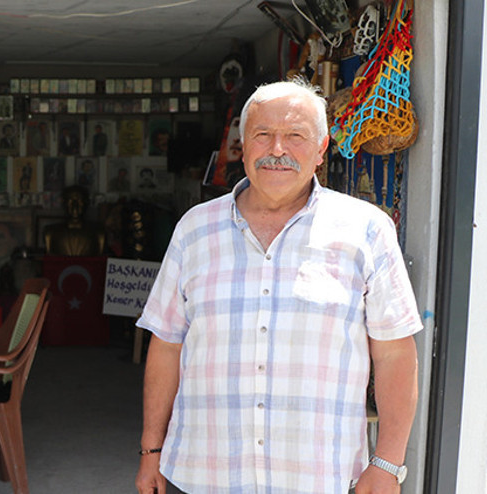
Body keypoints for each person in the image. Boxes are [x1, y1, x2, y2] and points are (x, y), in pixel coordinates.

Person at [135, 80, 421, 493]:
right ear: (242, 144)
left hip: (322, 478)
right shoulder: (194, 229)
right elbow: (166, 344)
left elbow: (395, 352)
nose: (277, 150)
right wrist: (151, 451)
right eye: (263, 135)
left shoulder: (366, 230)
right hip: (203, 476)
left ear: (321, 149)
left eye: (295, 136)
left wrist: (387, 464)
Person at [44, 185, 105, 256]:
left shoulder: (99, 232)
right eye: (70, 201)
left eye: (79, 200)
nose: (75, 206)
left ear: (86, 203)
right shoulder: (50, 232)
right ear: (64, 203)